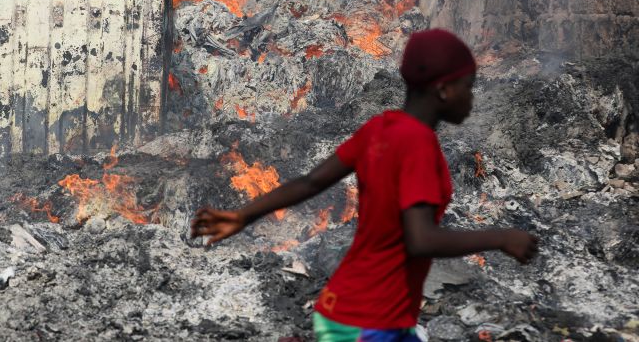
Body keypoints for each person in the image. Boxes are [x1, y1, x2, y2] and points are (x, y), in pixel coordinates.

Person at [190, 28, 539, 342]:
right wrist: (502, 238)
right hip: (368, 321)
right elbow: (421, 240)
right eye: (469, 87)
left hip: (354, 308)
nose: (472, 99)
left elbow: (312, 181)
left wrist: (243, 216)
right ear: (444, 89)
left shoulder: (381, 128)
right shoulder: (418, 144)